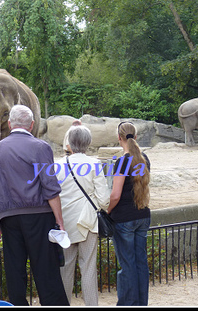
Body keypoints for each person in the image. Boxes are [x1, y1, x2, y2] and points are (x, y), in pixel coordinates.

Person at [0, 104, 69, 306]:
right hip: (39, 216)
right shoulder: (41, 147)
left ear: (9, 124)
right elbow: (50, 188)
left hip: (8, 219)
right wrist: (60, 221)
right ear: (32, 125)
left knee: (14, 270)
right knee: (46, 271)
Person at [55, 125, 111, 305]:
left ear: (69, 143)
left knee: (66, 268)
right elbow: (104, 199)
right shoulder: (94, 163)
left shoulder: (57, 165)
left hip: (65, 221)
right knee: (88, 267)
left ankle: (64, 304)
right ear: (88, 143)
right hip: (88, 221)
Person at [108, 121, 151, 306]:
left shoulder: (121, 162)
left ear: (119, 138)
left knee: (127, 265)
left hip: (124, 219)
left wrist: (107, 210)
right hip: (142, 215)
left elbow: (115, 194)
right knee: (141, 262)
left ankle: (127, 303)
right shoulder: (144, 159)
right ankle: (141, 302)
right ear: (135, 136)